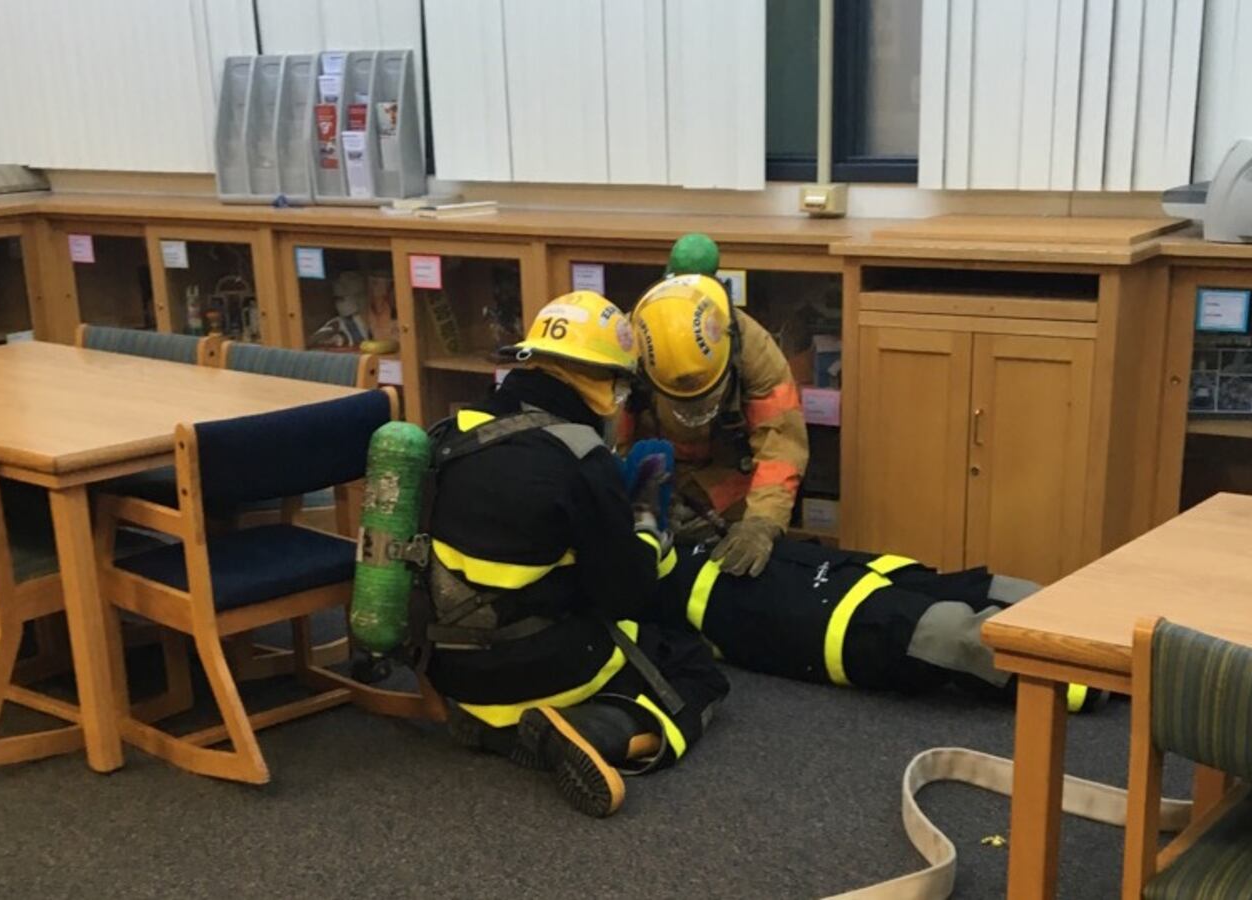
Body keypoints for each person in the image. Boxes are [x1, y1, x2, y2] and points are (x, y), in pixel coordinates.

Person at [424, 290, 729, 818]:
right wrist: (644, 516)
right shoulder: (582, 461)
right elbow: (626, 595)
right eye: (619, 387)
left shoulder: (452, 431)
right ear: (599, 380)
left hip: (446, 667)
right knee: (693, 667)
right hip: (533, 668)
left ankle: (492, 725)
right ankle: (602, 733)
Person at [653, 537, 1100, 711]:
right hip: (820, 621)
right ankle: (1097, 675)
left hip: (833, 571)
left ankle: (1106, 627)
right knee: (945, 632)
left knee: (986, 587)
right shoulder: (635, 596)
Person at [627, 257, 807, 578]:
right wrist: (642, 503)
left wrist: (762, 523)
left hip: (731, 488)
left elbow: (780, 446)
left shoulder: (755, 349)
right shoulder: (627, 345)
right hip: (653, 479)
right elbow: (611, 442)